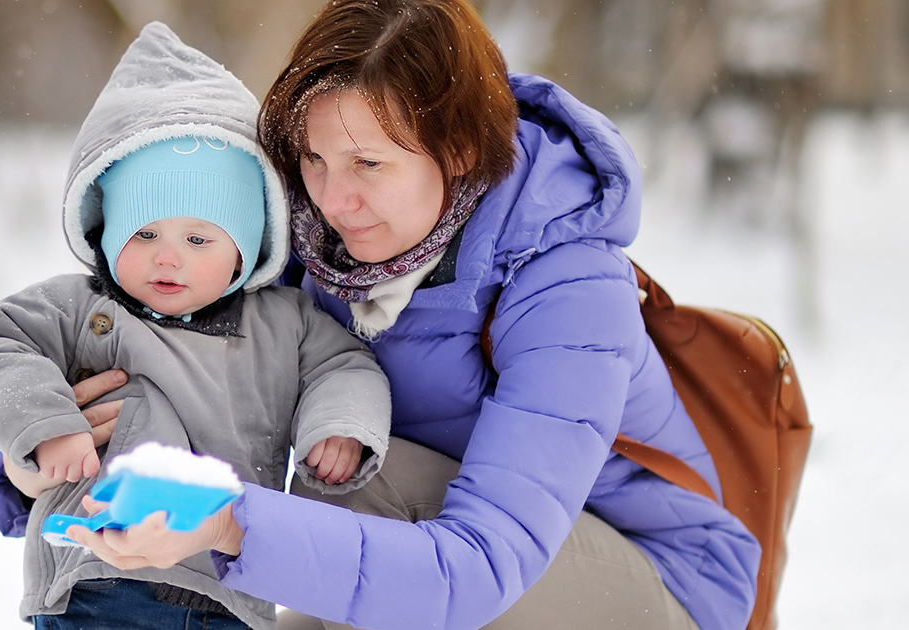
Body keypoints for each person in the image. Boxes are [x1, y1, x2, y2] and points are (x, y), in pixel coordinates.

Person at [56, 2, 765, 630]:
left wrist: (230, 523)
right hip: (440, 542)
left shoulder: (567, 286)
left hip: (655, 579)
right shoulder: (318, 251)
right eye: (313, 158)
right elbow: (198, 370)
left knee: (357, 487)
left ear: (456, 151)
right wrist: (56, 444)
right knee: (342, 501)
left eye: (368, 163)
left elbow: (480, 566)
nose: (334, 200)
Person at [0, 22, 391, 630]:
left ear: (246, 248)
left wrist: (338, 426)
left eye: (197, 238)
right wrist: (43, 427)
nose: (168, 257)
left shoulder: (286, 322)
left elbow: (346, 365)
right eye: (145, 233)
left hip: (229, 593)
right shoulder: (85, 308)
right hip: (99, 579)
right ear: (106, 234)